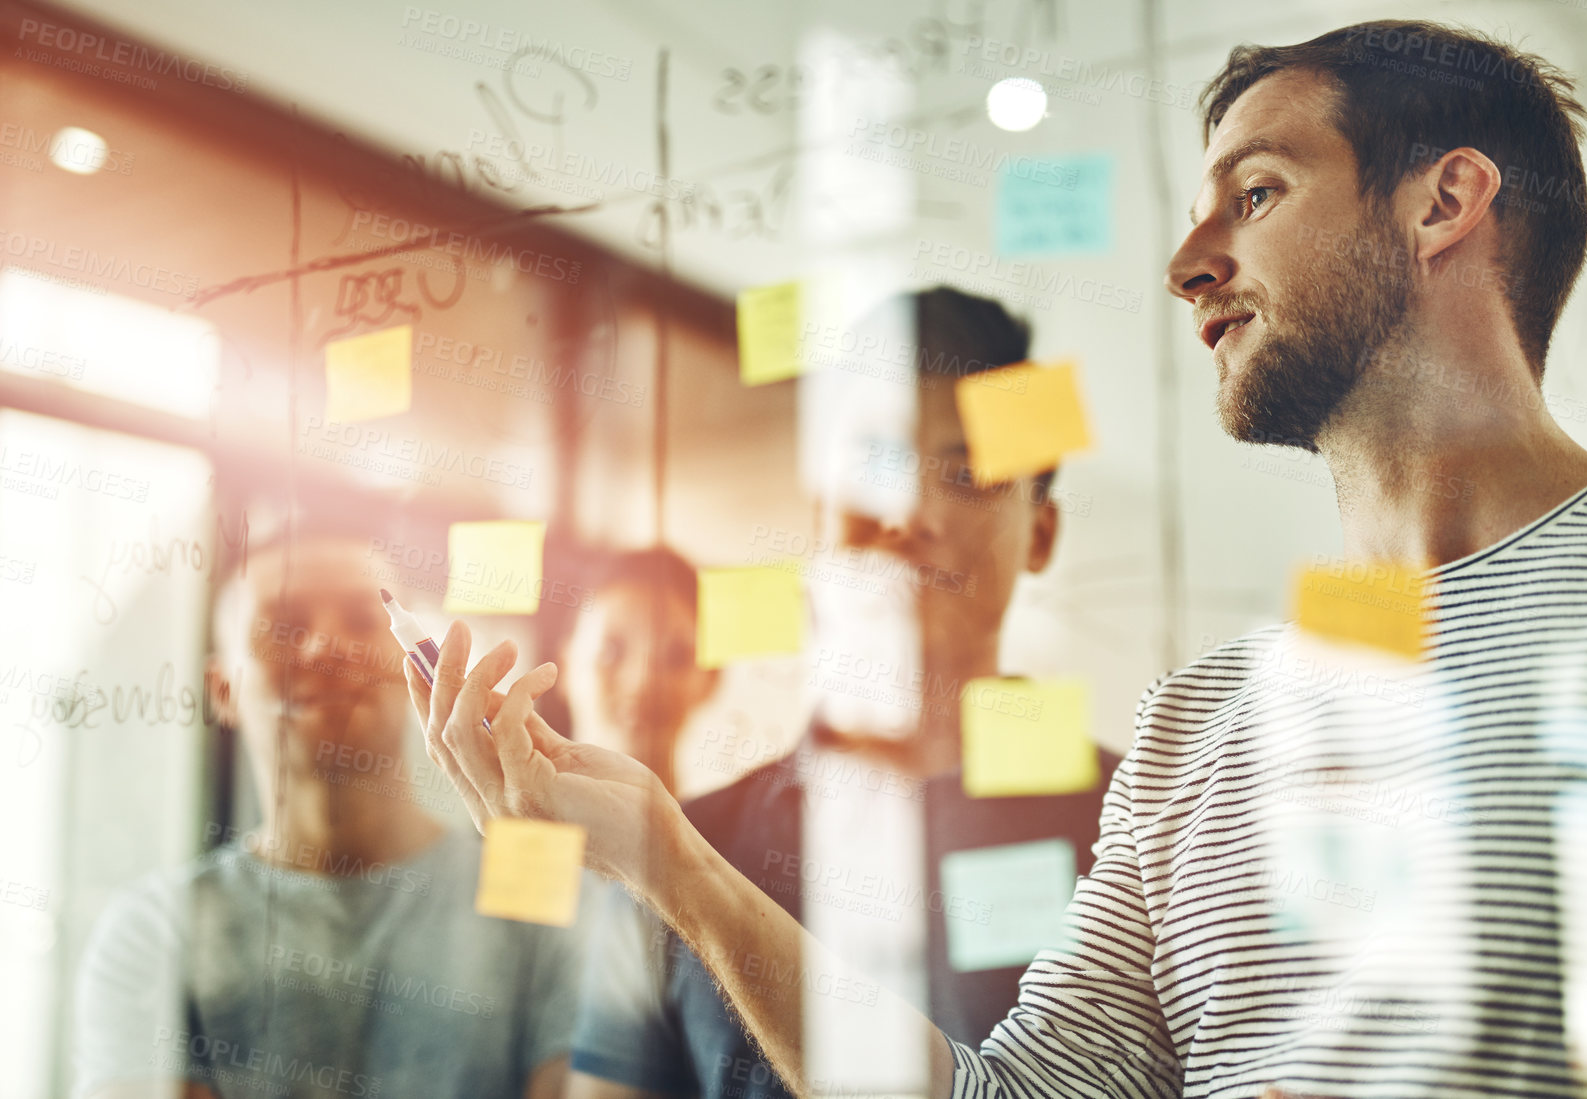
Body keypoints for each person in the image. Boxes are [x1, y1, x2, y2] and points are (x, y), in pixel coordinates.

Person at [410, 19, 1587, 1099]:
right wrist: (672, 859)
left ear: (1441, 203)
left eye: (1253, 193)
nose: (1186, 261)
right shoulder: (1194, 724)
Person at [565, 286, 1121, 1097]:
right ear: (821, 508)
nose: (911, 508)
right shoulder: (680, 853)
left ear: (1040, 532)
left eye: (966, 472)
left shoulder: (1139, 834)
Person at [74, 533, 577, 1099]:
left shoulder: (535, 885)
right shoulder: (157, 930)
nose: (325, 647)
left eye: (363, 622)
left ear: (415, 670)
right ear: (223, 688)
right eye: (285, 625)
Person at [577, 545, 720, 793]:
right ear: (562, 665)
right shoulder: (503, 828)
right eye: (611, 652)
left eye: (676, 658)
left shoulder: (723, 832)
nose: (641, 682)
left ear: (712, 679)